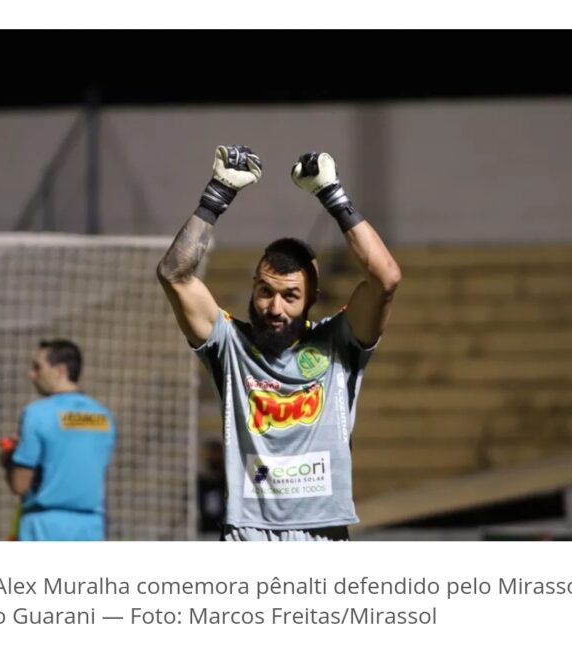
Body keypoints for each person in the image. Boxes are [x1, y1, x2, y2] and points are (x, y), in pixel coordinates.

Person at [157, 145, 401, 541]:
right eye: (265, 292)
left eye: (289, 296)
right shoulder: (229, 344)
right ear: (253, 290)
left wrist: (332, 195)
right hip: (247, 533)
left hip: (321, 532)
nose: (274, 307)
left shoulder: (340, 342)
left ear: (311, 298)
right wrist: (217, 194)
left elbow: (386, 278)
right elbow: (174, 274)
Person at [0, 339, 117, 541]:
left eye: (38, 367)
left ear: (60, 370)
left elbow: (19, 484)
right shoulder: (104, 417)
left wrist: (7, 457)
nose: (32, 375)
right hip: (91, 526)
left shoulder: (36, 414)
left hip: (44, 527)